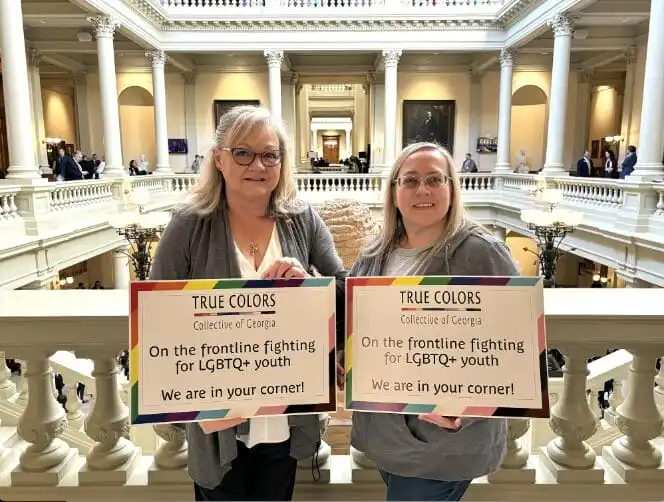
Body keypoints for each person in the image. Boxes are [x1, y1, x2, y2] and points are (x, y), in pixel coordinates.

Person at [149, 105, 346, 501]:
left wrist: (310, 286)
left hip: (285, 411)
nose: (258, 164)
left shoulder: (302, 218)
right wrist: (193, 404)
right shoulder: (188, 224)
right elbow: (157, 317)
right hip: (216, 420)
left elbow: (344, 293)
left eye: (270, 154)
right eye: (243, 153)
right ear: (219, 159)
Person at [348, 142, 519, 501]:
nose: (422, 190)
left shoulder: (482, 253)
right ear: (394, 191)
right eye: (409, 180)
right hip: (388, 437)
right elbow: (357, 331)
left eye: (434, 179)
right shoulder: (373, 253)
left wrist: (469, 408)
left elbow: (516, 346)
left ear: (452, 188)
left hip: (444, 443)